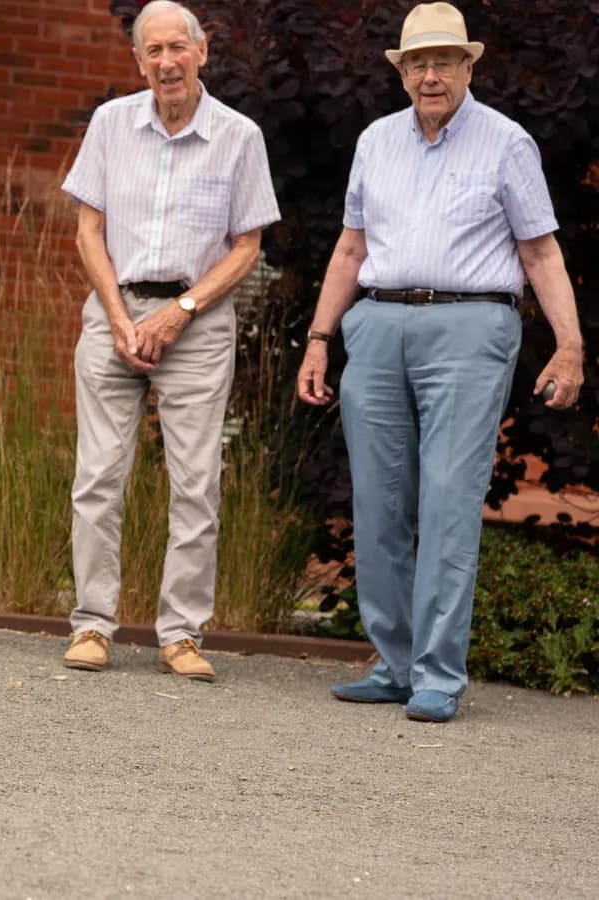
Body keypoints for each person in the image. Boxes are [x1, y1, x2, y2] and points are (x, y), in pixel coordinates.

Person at [297, 2, 584, 723]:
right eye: (418, 63)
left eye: (445, 61)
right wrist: (319, 337)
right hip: (380, 321)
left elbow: (540, 251)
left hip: (470, 324)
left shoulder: (506, 143)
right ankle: (394, 664)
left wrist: (570, 345)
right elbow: (351, 249)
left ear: (468, 67)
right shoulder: (375, 142)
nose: (431, 75)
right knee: (379, 503)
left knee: (449, 502)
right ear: (401, 73)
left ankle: (437, 674)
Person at [60, 0, 279, 680]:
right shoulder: (110, 124)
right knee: (97, 477)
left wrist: (180, 310)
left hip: (198, 321)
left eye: (175, 48)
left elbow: (248, 247)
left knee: (196, 484)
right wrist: (122, 317)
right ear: (138, 61)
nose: (165, 62)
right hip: (114, 314)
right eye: (151, 51)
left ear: (201, 51)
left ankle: (180, 635)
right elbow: (87, 232)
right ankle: (93, 625)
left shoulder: (239, 136)